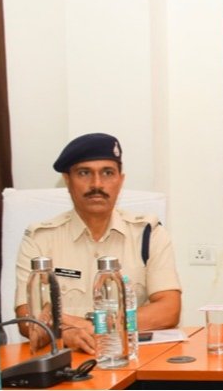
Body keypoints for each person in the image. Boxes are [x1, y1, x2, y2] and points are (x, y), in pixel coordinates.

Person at [14, 133, 182, 354]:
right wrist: (67, 334)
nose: (97, 184)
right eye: (84, 173)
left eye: (107, 173)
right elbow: (27, 318)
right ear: (67, 180)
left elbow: (169, 310)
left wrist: (94, 326)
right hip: (65, 361)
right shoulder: (39, 239)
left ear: (120, 181)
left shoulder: (148, 234)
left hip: (128, 359)